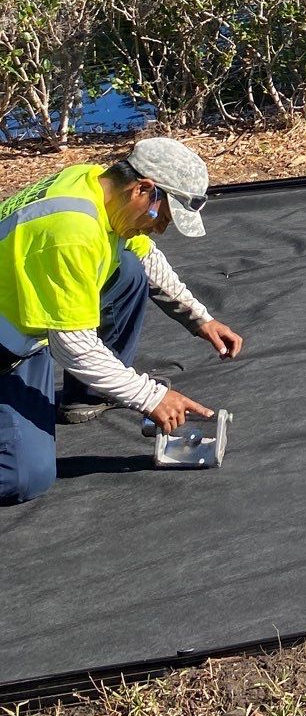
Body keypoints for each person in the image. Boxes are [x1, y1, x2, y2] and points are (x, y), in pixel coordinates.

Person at [0, 137, 243, 506]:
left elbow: (148, 260)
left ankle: (91, 394)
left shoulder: (95, 183)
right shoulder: (71, 234)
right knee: (25, 478)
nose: (160, 229)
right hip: (8, 351)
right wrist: (150, 397)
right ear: (143, 190)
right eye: (162, 217)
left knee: (128, 269)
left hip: (22, 323)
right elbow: (73, 347)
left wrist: (199, 318)